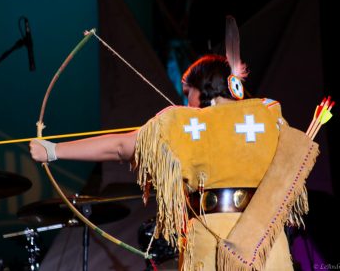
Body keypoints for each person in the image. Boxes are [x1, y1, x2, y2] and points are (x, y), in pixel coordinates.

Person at [30, 20, 319, 271]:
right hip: (265, 245)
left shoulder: (184, 123)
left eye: (188, 93)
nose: (186, 102)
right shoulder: (269, 115)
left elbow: (120, 146)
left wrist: (54, 150)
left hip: (212, 246)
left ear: (203, 90)